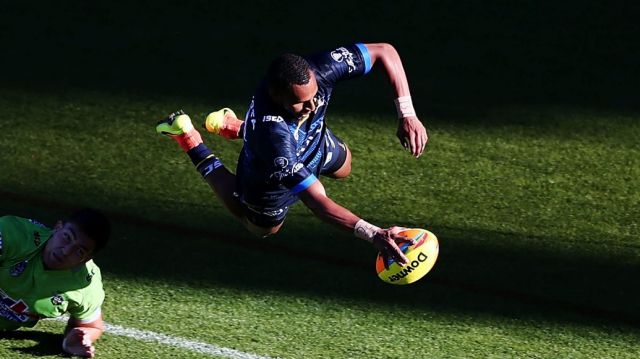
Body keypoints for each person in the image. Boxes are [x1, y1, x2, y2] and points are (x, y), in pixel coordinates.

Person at [156, 43, 428, 267]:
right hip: (269, 176)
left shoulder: (320, 71)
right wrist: (374, 234)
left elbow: (384, 51)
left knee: (345, 166)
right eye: (300, 102)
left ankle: (234, 126)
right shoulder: (274, 139)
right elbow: (317, 201)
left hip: (314, 142)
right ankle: (188, 137)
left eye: (314, 95)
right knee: (261, 228)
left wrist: (407, 114)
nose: (312, 104)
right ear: (277, 96)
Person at [0, 208, 110, 358]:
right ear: (57, 227)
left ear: (86, 259)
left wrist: (78, 338)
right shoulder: (14, 234)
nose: (66, 251)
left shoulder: (85, 287)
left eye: (79, 251)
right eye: (67, 237)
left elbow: (91, 325)